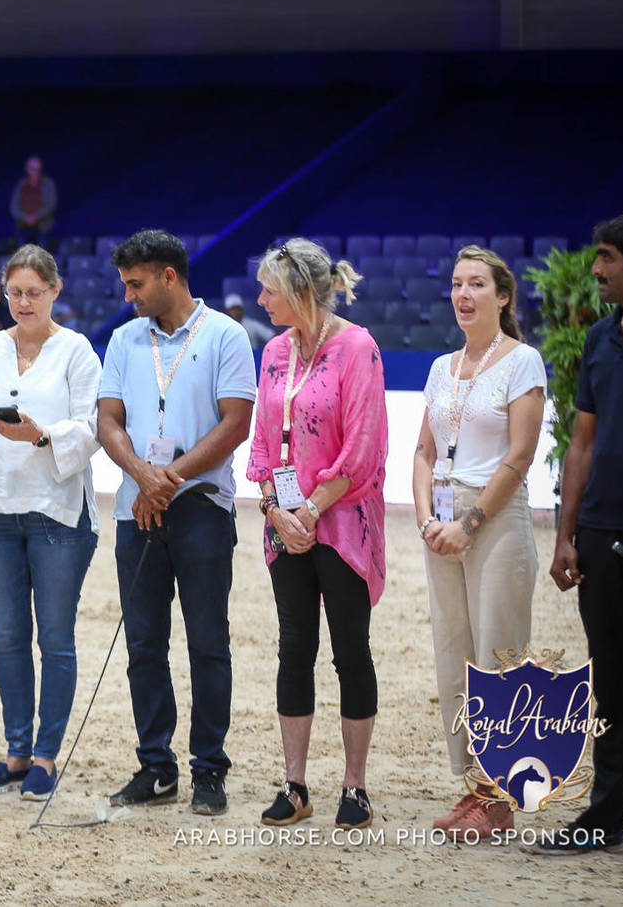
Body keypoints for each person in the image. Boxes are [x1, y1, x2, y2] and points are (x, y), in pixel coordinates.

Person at [96, 231, 257, 816]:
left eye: (136, 284)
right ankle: (156, 767)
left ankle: (209, 768)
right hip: (136, 503)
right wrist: (143, 474)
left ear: (169, 277)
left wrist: (170, 478)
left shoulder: (226, 335)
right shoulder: (122, 339)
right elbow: (107, 420)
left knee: (207, 642)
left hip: (201, 507)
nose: (128, 295)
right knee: (144, 644)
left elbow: (235, 423)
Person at [0, 245, 101, 802]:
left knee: (55, 639)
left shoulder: (77, 351)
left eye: (34, 292)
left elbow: (91, 429)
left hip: (57, 511)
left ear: (56, 291)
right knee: (9, 638)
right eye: (15, 292)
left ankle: (45, 757)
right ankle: (15, 752)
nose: (23, 302)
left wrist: (39, 435)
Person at [246, 237, 387, 831]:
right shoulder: (275, 351)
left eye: (270, 290)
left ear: (300, 291)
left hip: (342, 522)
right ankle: (296, 783)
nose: (261, 298)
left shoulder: (358, 347)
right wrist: (277, 509)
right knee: (293, 647)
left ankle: (355, 788)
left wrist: (311, 508)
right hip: (287, 524)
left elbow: (364, 446)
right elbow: (262, 440)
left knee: (350, 651)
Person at [541, 210, 623, 871]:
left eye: (607, 258)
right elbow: (580, 441)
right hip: (600, 535)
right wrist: (567, 534)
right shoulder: (597, 338)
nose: (596, 269)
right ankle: (606, 817)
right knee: (612, 689)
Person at [413, 245, 545, 838]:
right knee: (454, 657)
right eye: (457, 284)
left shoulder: (523, 362)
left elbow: (519, 455)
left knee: (499, 657)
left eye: (477, 285)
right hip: (441, 521)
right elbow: (422, 450)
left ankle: (501, 793)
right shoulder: (442, 367)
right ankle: (472, 786)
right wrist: (426, 520)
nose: (464, 294)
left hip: (493, 521)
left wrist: (469, 523)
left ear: (503, 296)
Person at [10, 155, 57, 250]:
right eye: (32, 169)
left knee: (40, 259)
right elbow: (13, 207)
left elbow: (51, 205)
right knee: (23, 259)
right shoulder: (21, 185)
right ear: (27, 169)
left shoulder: (48, 184)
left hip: (42, 227)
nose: (35, 172)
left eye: (37, 169)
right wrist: (25, 217)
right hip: (23, 227)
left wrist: (35, 217)